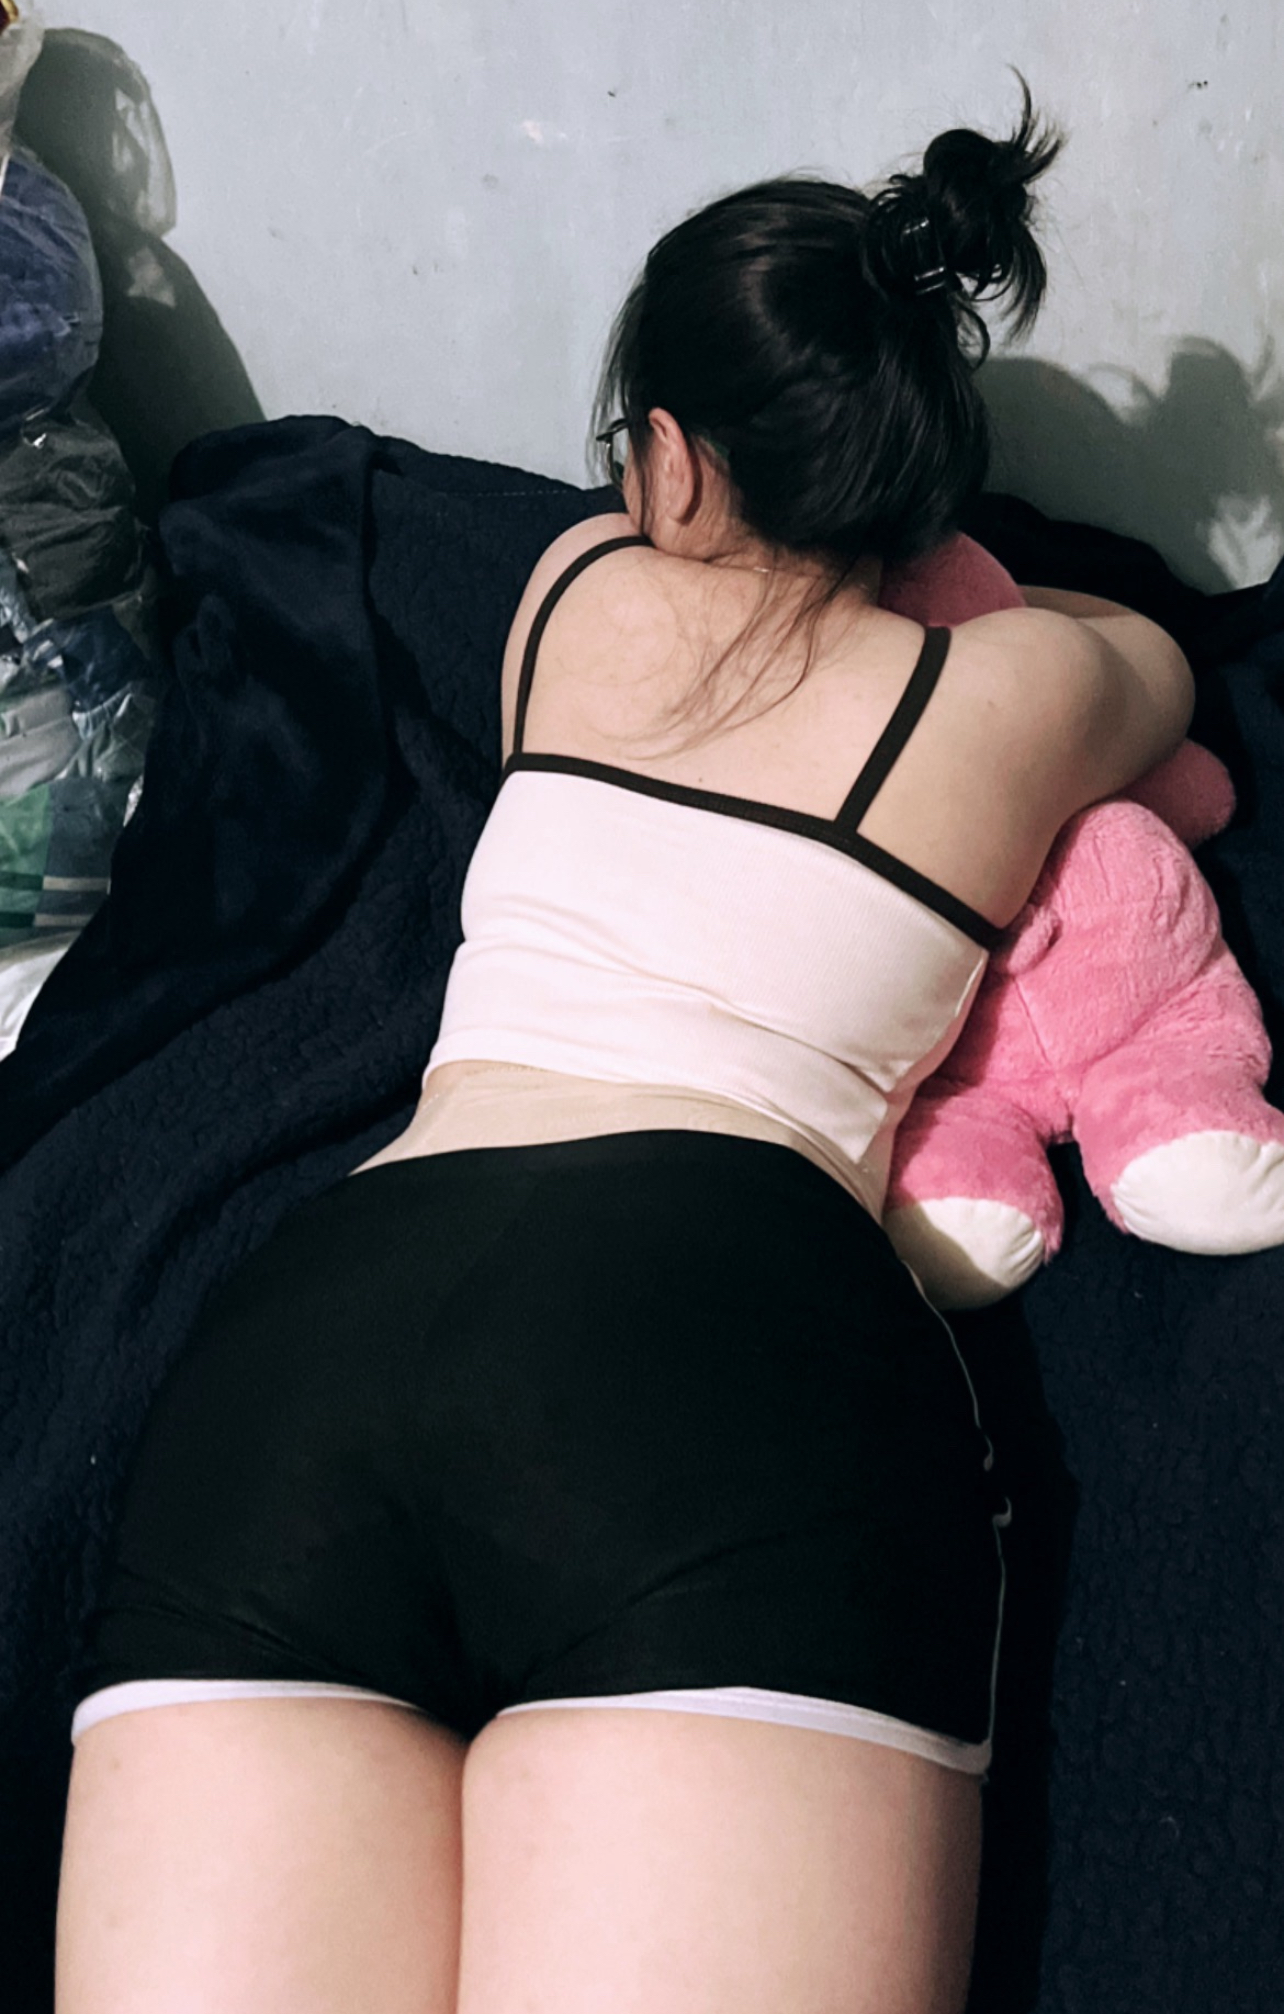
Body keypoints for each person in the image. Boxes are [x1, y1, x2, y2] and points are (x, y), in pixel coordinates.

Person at [55, 76, 1194, 2014]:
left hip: (323, 1338)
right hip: (713, 1329)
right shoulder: (1009, 693)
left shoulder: (570, 592)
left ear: (664, 465)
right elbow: (1156, 666)